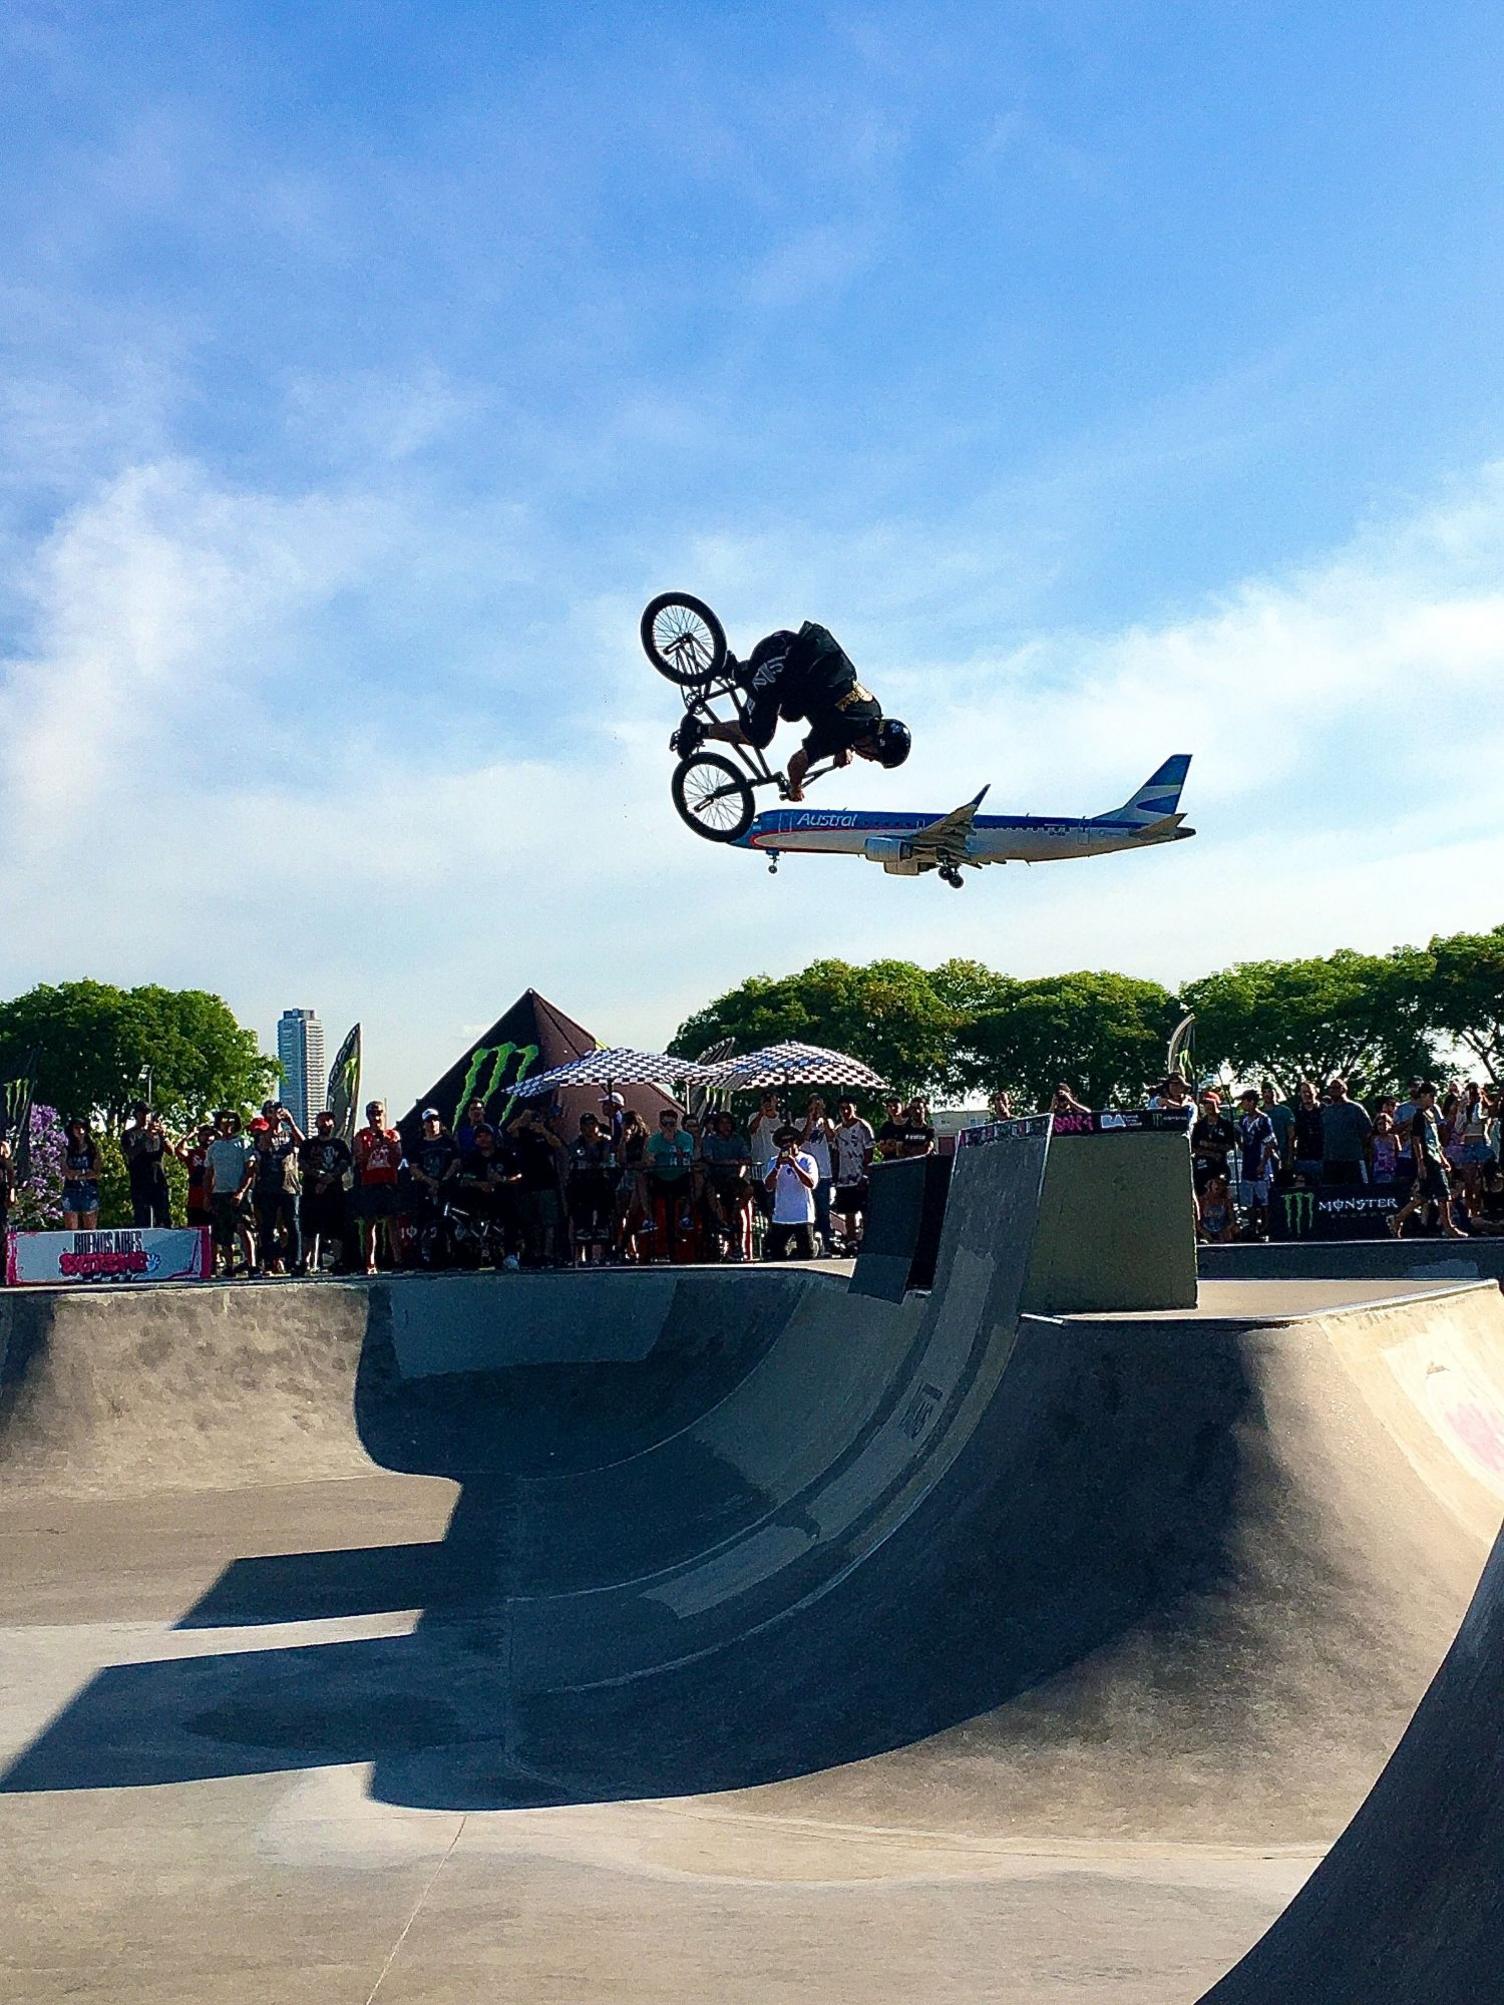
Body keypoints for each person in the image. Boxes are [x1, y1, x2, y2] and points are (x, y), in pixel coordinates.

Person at [680, 622, 911, 801]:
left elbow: (841, 715)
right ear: (874, 742)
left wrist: (841, 748)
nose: (869, 760)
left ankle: (737, 671)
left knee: (791, 713)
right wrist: (795, 787)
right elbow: (796, 763)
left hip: (794, 656)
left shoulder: (871, 711)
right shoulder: (842, 732)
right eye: (875, 757)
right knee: (758, 735)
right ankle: (697, 729)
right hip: (779, 659)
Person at [1389, 1083, 1468, 1240]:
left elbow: (1435, 1140)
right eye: (1431, 1096)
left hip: (1436, 1156)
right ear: (1423, 1095)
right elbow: (1416, 1140)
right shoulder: (1418, 1116)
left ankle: (1397, 1219)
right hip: (1427, 1159)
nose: (1433, 1099)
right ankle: (1448, 1226)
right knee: (1444, 1193)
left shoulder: (1431, 1113)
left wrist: (1443, 1158)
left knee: (1423, 1196)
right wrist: (1420, 1163)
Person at [504, 1104, 568, 1266]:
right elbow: (510, 1130)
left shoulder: (546, 1134)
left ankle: (547, 1253)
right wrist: (524, 1118)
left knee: (549, 1221)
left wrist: (543, 1130)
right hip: (527, 1184)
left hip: (546, 1182)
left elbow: (558, 1145)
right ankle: (534, 1252)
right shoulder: (523, 1134)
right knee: (531, 1222)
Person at [353, 1100, 404, 1276]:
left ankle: (397, 1259)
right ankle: (370, 1262)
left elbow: (398, 1159)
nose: (376, 1117)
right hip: (370, 1184)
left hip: (388, 1181)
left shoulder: (392, 1134)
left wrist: (389, 1143)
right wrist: (371, 1147)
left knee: (392, 1222)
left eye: (379, 1113)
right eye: (373, 1114)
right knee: (370, 1224)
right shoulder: (362, 1136)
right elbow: (359, 1160)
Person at [251, 1108, 303, 1276]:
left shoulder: (289, 1135)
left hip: (289, 1186)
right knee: (267, 1226)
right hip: (269, 1186)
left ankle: (295, 1262)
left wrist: (291, 1122)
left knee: (292, 1224)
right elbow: (263, 1147)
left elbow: (304, 1144)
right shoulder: (262, 1135)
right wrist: (273, 1125)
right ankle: (268, 1263)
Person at [203, 1110, 256, 1275]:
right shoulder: (213, 1148)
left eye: (232, 1122)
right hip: (220, 1193)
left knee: (243, 1228)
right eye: (224, 1122)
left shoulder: (244, 1144)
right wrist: (207, 1196)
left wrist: (241, 1192)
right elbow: (208, 1173)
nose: (228, 1125)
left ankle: (252, 1265)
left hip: (238, 1193)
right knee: (223, 1232)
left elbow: (250, 1170)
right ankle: (229, 1266)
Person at [299, 1110, 352, 1272]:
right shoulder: (308, 1145)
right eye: (322, 1120)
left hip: (334, 1193)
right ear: (316, 1124)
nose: (325, 1124)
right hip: (311, 1192)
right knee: (308, 1229)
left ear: (333, 1124)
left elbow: (344, 1164)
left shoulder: (340, 1145)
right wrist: (318, 1176)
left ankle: (338, 1261)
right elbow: (303, 1164)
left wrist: (329, 1178)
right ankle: (304, 1263)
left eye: (328, 1120)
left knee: (336, 1229)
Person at [643, 1106, 696, 1262]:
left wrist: (674, 1153)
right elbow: (650, 1159)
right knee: (641, 1178)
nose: (669, 1127)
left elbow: (686, 1158)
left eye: (672, 1124)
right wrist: (653, 1158)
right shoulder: (654, 1140)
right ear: (660, 1125)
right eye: (665, 1124)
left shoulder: (685, 1138)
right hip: (661, 1177)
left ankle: (685, 1216)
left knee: (695, 1181)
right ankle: (649, 1217)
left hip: (680, 1176)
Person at [699, 1110, 754, 1261]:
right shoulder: (710, 1140)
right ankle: (721, 1220)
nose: (726, 1126)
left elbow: (747, 1159)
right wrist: (732, 1161)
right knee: (710, 1188)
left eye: (728, 1122)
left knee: (749, 1189)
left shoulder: (738, 1140)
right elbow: (709, 1159)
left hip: (733, 1178)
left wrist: (737, 1163)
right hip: (716, 1176)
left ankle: (735, 1211)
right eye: (722, 1123)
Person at [407, 1108, 459, 1263]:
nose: (432, 1123)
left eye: (435, 1119)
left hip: (446, 1188)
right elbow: (413, 1167)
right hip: (425, 1189)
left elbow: (456, 1162)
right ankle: (424, 1256)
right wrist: (429, 1182)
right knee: (425, 1223)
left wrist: (443, 1181)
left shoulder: (449, 1142)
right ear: (424, 1124)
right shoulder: (418, 1145)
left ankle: (452, 1254)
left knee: (448, 1221)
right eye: (429, 1121)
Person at [566, 1112, 618, 1265]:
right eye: (585, 1125)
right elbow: (574, 1161)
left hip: (603, 1183)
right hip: (582, 1184)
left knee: (606, 1203)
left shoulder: (607, 1142)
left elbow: (611, 1162)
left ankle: (605, 1245)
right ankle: (582, 1239)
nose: (589, 1128)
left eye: (592, 1124)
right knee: (580, 1203)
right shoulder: (577, 1144)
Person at [762, 1125, 819, 1259]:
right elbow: (768, 1186)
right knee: (775, 1254)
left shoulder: (807, 1160)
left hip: (802, 1215)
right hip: (782, 1217)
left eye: (790, 1141)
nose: (787, 1145)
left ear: (796, 1142)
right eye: (783, 1142)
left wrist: (794, 1165)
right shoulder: (773, 1162)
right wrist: (777, 1167)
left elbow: (811, 1183)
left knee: (807, 1255)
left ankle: (816, 1244)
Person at [830, 1097, 875, 1251]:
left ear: (854, 1108)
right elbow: (836, 1152)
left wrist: (865, 1174)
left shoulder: (862, 1126)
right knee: (848, 1211)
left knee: (865, 1211)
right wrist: (835, 1175)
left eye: (848, 1107)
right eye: (842, 1108)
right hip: (844, 1176)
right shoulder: (838, 1130)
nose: (846, 1111)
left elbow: (869, 1150)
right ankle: (851, 1242)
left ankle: (868, 1240)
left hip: (860, 1175)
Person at [1235, 1088, 1279, 1240]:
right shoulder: (1243, 1120)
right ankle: (1252, 1226)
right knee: (1250, 1198)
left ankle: (1266, 1226)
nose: (1242, 1104)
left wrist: (1263, 1163)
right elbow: (1243, 1143)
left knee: (1264, 1198)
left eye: (1244, 1101)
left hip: (1261, 1162)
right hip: (1248, 1162)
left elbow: (1270, 1143)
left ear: (1251, 1102)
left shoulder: (1263, 1119)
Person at [122, 1102, 173, 1227]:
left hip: (158, 1180)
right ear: (137, 1115)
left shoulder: (157, 1133)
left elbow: (171, 1152)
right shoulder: (129, 1134)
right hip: (140, 1181)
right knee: (142, 1218)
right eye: (142, 1113)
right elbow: (130, 1153)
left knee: (163, 1216)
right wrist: (146, 1137)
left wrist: (163, 1135)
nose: (145, 1116)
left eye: (148, 1113)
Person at [1320, 1077, 1372, 1188]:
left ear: (1344, 1089)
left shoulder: (1356, 1108)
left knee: (1359, 1190)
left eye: (1336, 1087)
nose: (1333, 1090)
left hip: (1353, 1158)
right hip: (1331, 1159)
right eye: (1331, 1088)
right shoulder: (1326, 1112)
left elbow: (1367, 1132)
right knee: (1330, 1193)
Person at [800, 1095, 836, 1252]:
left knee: (823, 1211)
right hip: (806, 1171)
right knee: (809, 1210)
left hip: (824, 1172)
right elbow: (803, 1138)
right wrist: (810, 1119)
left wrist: (823, 1117)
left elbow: (831, 1137)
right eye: (813, 1106)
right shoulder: (799, 1122)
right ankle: (809, 1243)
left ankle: (826, 1244)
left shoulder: (827, 1122)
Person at [614, 1108, 651, 1261]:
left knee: (633, 1209)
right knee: (620, 1211)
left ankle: (625, 1244)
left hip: (641, 1178)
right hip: (626, 1177)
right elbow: (620, 1160)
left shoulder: (646, 1139)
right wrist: (623, 1141)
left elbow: (645, 1162)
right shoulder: (624, 1140)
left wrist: (633, 1165)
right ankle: (622, 1243)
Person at [1190, 1092, 1237, 1196]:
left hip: (1220, 1166)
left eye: (1210, 1103)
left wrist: (1213, 1146)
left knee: (1221, 1192)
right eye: (1205, 1104)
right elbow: (1193, 1148)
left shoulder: (1226, 1125)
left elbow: (1230, 1145)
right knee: (1201, 1194)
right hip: (1201, 1167)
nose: (1208, 1106)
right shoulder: (1199, 1126)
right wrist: (1210, 1153)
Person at [61, 1118, 102, 1230]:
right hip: (71, 1190)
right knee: (71, 1230)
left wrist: (78, 1174)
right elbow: (66, 1172)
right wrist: (84, 1172)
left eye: (83, 1127)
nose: (80, 1131)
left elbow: (96, 1172)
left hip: (89, 1190)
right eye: (77, 1128)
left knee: (90, 1231)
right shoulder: (67, 1150)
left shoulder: (93, 1149)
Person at [747, 1092, 784, 1213]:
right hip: (760, 1169)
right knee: (764, 1205)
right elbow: (751, 1129)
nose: (768, 1104)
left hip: (778, 1169)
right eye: (765, 1101)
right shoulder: (754, 1116)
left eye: (771, 1100)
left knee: (776, 1204)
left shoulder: (782, 1118)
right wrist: (761, 1114)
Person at [177, 1122, 215, 1231]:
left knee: (214, 1233)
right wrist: (190, 1135)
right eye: (204, 1134)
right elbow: (179, 1150)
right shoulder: (194, 1153)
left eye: (210, 1135)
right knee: (194, 1231)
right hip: (195, 1199)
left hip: (213, 1198)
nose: (208, 1137)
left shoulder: (218, 1153)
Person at [1290, 1079, 1324, 1183]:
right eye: (1303, 1092)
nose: (1306, 1094)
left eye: (1309, 1091)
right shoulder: (1296, 1112)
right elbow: (1292, 1136)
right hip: (1303, 1157)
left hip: (1322, 1157)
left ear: (1315, 1092)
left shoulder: (1325, 1110)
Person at [1261, 1080, 1294, 1171]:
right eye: (1264, 1092)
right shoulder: (1259, 1113)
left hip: (1282, 1154)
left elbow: (1291, 1135)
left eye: (1269, 1091)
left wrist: (1290, 1156)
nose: (1267, 1094)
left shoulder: (1285, 1111)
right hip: (1264, 1157)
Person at [1197, 1171, 1236, 1244]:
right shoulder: (1202, 1200)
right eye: (1216, 1183)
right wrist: (1206, 1234)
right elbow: (1197, 1222)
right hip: (1205, 1230)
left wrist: (1226, 1230)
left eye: (1221, 1184)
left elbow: (1232, 1219)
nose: (1218, 1186)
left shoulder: (1226, 1201)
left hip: (1221, 1229)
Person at [874, 1095, 906, 1161]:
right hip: (890, 1161)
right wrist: (895, 1146)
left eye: (895, 1105)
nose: (893, 1108)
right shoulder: (886, 1126)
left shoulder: (909, 1125)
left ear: (902, 1106)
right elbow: (882, 1147)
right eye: (889, 1106)